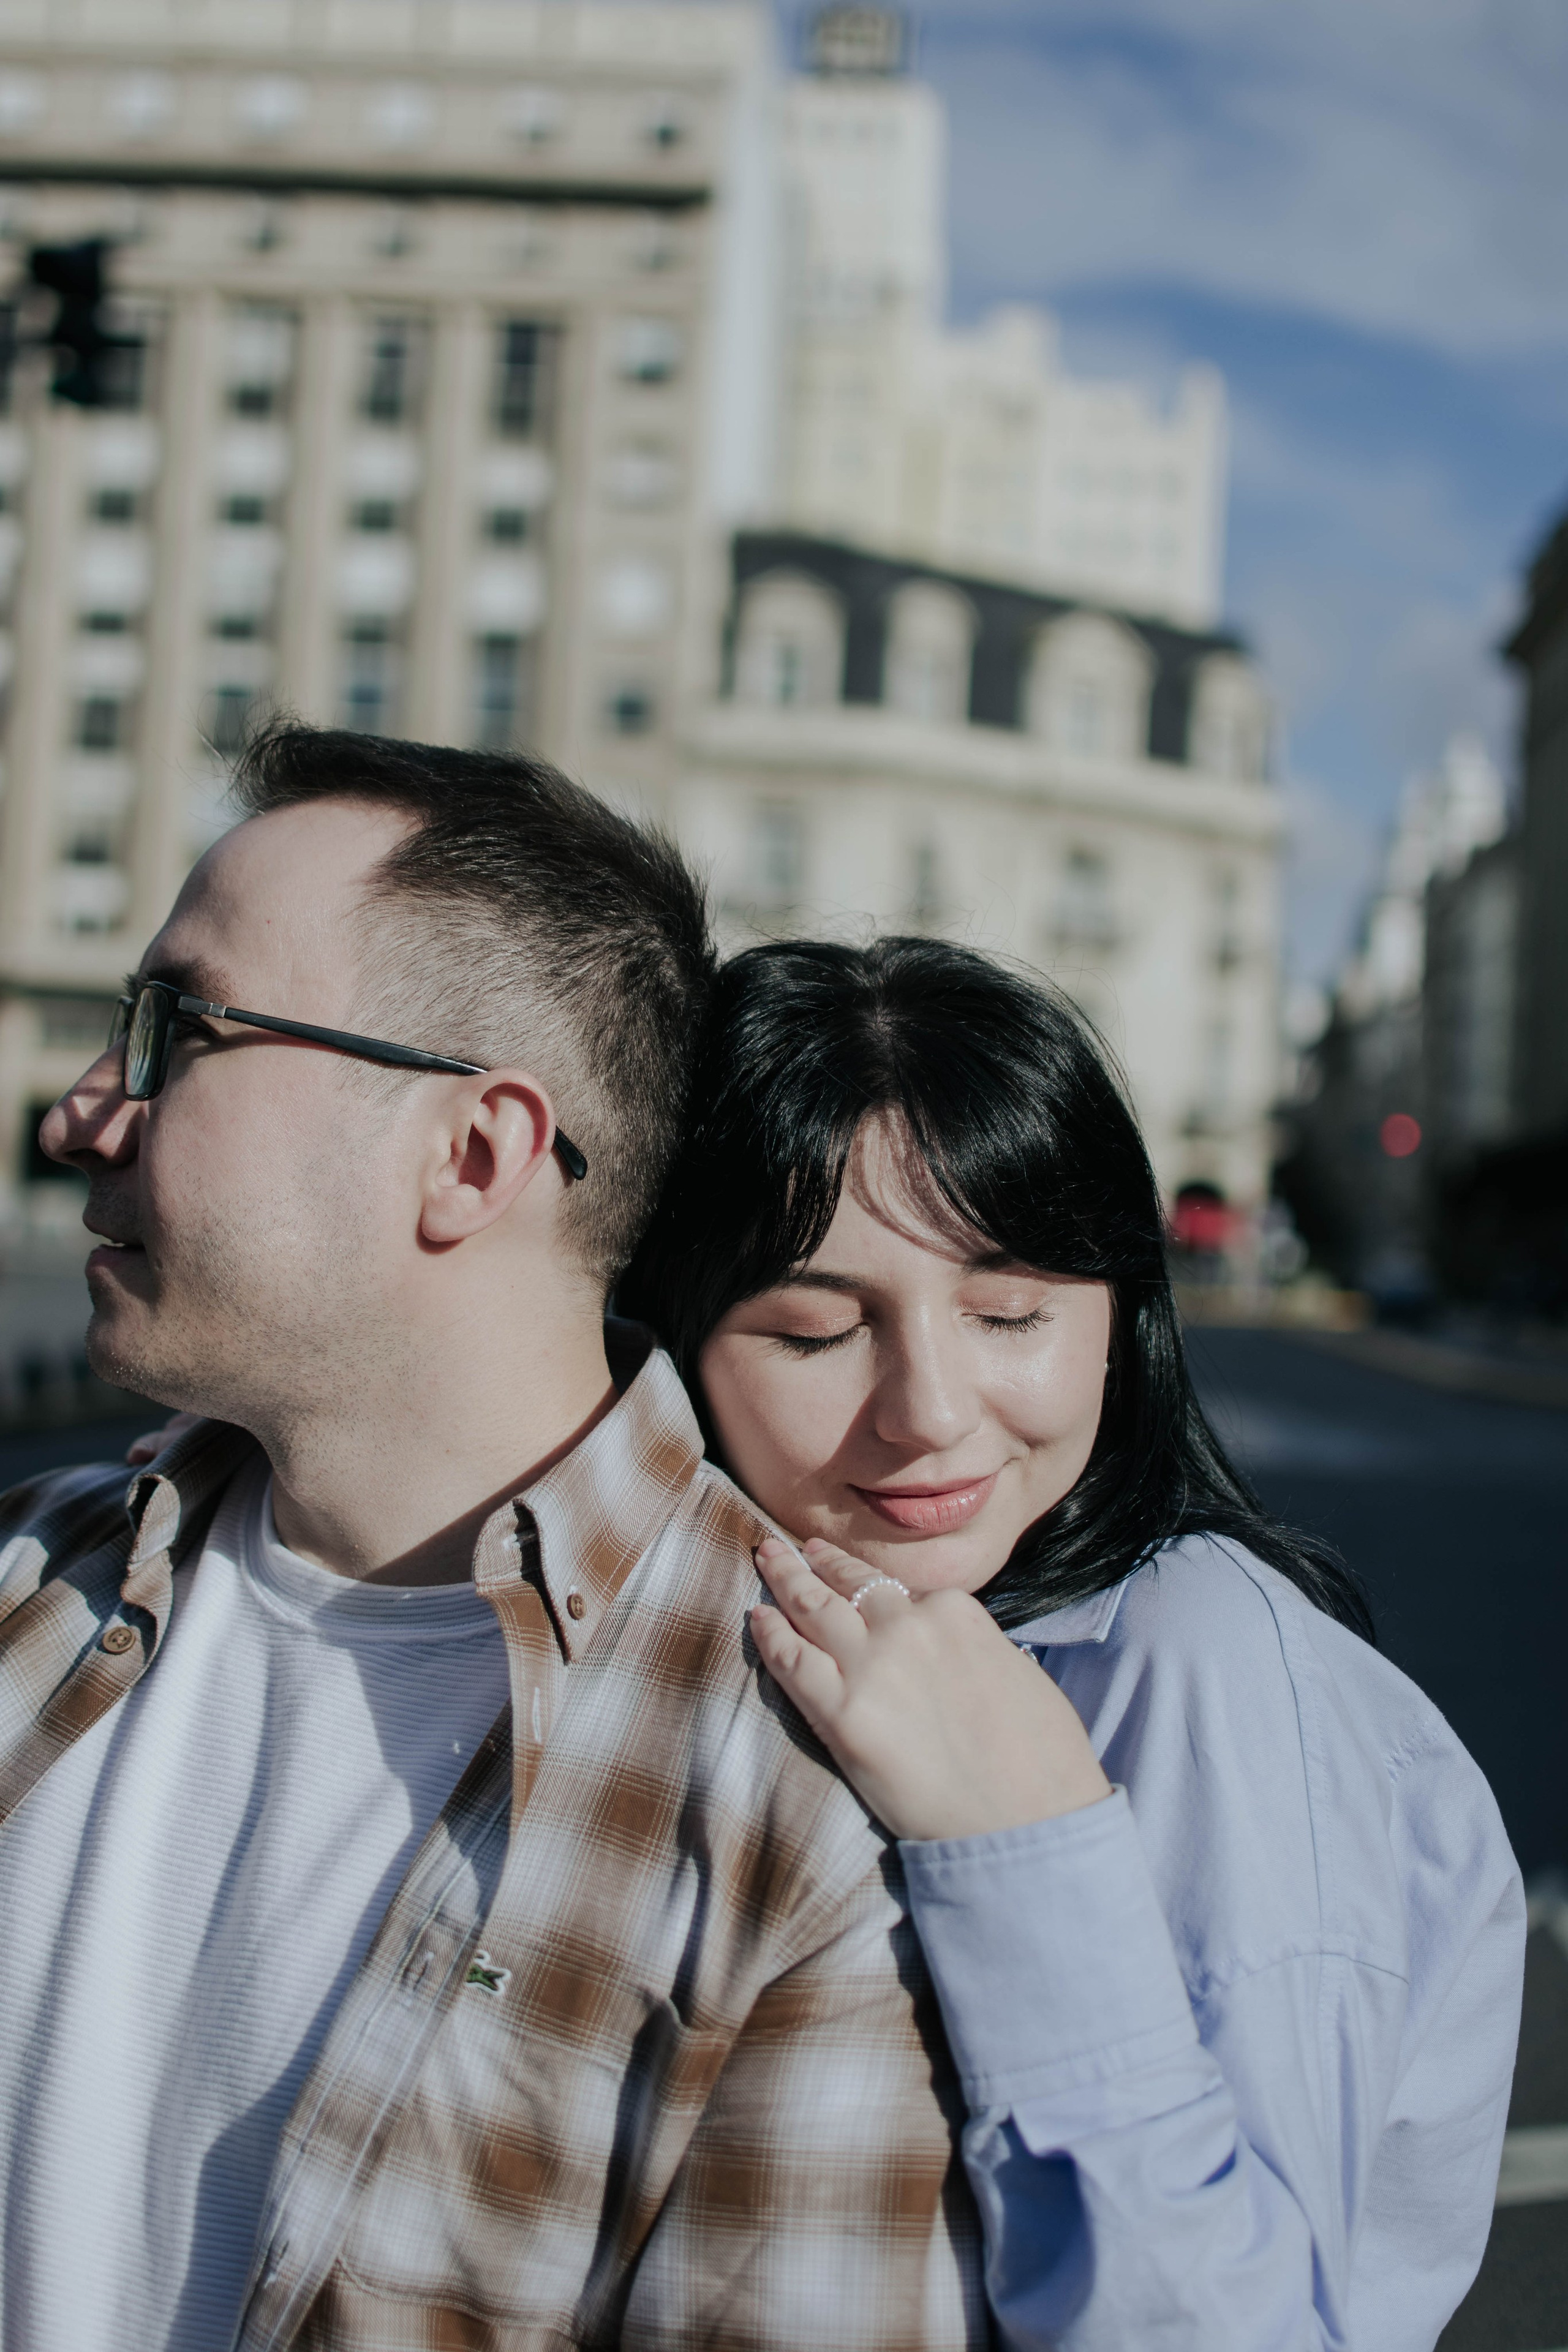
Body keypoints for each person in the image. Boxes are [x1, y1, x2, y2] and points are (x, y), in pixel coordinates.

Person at [0, 726, 990, 2352]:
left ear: (470, 1156)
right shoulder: (32, 1578)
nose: (82, 1110)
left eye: (178, 1027)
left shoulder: (794, 1797)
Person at [620, 933, 1526, 2352]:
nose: (928, 1411)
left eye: (1008, 1314)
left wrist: (1023, 1846)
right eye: (813, 1332)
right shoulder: (706, 1610)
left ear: (1118, 1313)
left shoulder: (1199, 1670)